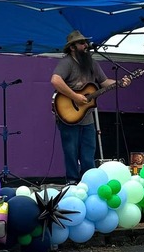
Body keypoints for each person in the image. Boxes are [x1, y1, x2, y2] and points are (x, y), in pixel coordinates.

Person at [51, 30, 131, 184]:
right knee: (71, 151)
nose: (86, 45)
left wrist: (119, 83)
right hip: (68, 115)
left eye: (86, 42)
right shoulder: (67, 62)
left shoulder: (92, 63)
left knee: (88, 152)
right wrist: (75, 97)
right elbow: (55, 80)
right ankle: (72, 182)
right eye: (82, 43)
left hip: (87, 116)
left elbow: (104, 82)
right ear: (72, 47)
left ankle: (88, 182)